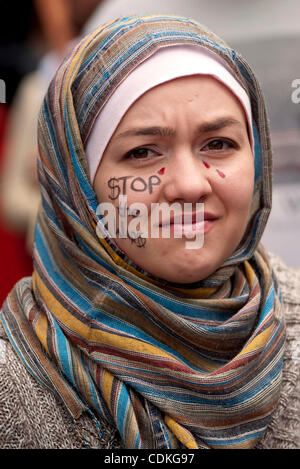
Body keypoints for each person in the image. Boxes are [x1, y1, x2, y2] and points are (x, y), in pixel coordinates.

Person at [0, 15, 299, 450]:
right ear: (77, 186)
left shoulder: (292, 319)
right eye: (141, 152)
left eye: (218, 144)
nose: (191, 185)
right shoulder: (14, 390)